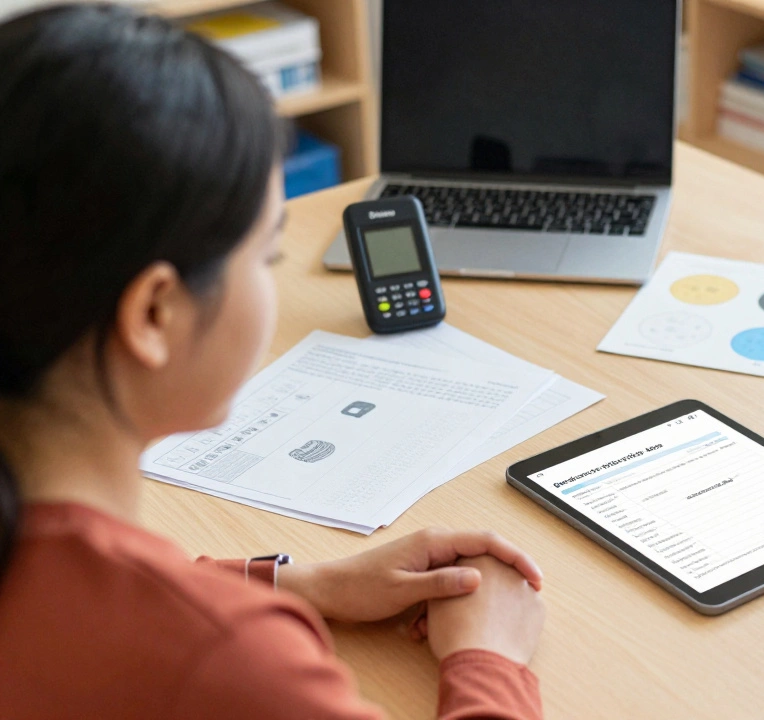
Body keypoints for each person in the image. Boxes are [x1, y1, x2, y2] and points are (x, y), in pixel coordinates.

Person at [0, 6, 546, 719]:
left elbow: (84, 601)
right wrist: (490, 659)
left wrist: (307, 583)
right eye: (266, 255)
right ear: (155, 315)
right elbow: (162, 631)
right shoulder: (232, 659)